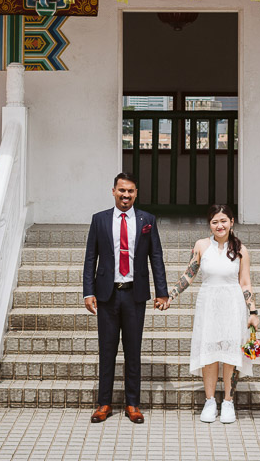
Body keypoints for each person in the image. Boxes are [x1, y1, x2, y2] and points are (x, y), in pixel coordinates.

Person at [82, 172, 169, 424]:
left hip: (134, 295)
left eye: (130, 191)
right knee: (107, 350)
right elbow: (91, 258)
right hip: (107, 295)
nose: (126, 195)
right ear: (113, 191)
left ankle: (133, 404)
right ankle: (104, 403)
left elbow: (156, 257)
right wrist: (89, 291)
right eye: (122, 191)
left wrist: (162, 292)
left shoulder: (147, 220)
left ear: (136, 193)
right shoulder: (99, 220)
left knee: (133, 351)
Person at [169, 204, 259, 424]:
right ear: (210, 224)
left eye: (223, 221)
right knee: (209, 353)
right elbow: (189, 275)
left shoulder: (240, 250)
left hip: (233, 304)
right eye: (214, 222)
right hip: (208, 304)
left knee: (230, 354)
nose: (219, 225)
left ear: (231, 222)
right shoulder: (201, 246)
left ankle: (228, 401)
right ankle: (210, 401)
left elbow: (245, 282)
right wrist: (170, 295)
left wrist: (253, 311)